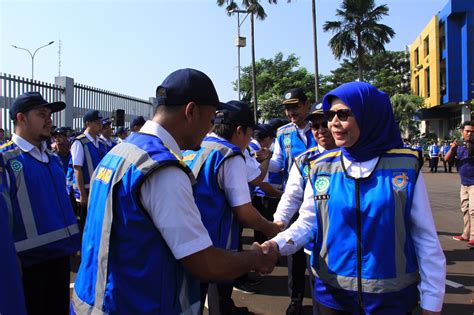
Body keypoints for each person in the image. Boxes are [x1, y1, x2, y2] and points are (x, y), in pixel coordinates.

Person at [72, 68, 278, 315]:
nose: (210, 128)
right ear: (191, 111)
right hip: (138, 305)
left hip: (97, 302)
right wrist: (255, 258)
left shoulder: (118, 154)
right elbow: (204, 263)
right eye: (210, 118)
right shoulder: (161, 169)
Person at [262, 82, 445, 314]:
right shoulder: (320, 167)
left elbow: (425, 238)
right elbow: (309, 223)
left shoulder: (405, 167)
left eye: (343, 114)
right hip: (333, 296)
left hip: (390, 299)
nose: (333, 123)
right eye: (330, 115)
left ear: (368, 115)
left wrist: (432, 300)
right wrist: (274, 245)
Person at [183, 100, 280, 314]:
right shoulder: (229, 154)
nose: (248, 141)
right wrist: (270, 228)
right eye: (249, 134)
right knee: (217, 293)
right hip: (215, 245)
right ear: (239, 131)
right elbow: (244, 212)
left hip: (186, 241)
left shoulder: (194, 147)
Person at [0, 92, 80, 314]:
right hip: (29, 267)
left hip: (60, 258)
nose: (49, 119)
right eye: (41, 114)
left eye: (50, 114)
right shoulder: (6, 160)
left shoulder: (52, 158)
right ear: (21, 118)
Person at [273, 104, 337, 315]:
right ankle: (296, 299)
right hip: (311, 234)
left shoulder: (354, 156)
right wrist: (278, 223)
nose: (321, 130)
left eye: (324, 124)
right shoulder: (305, 161)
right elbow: (291, 196)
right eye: (315, 126)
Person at [268, 88, 318, 315]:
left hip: (325, 199)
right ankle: (296, 299)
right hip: (296, 199)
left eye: (295, 107)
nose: (291, 112)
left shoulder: (323, 126)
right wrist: (259, 159)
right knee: (294, 255)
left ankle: (325, 298)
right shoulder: (283, 133)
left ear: (307, 104)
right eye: (287, 108)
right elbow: (278, 164)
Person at [67, 109, 107, 230]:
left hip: (98, 188)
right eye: (97, 123)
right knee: (85, 224)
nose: (100, 126)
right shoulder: (80, 142)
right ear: (88, 124)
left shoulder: (100, 142)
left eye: (101, 123)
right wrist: (83, 195)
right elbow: (77, 169)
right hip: (86, 190)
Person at [444, 121, 474, 248]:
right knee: (465, 209)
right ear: (462, 131)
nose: (470, 133)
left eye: (472, 131)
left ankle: (473, 237)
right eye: (467, 131)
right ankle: (466, 234)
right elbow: (446, 159)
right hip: (464, 183)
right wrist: (452, 148)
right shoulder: (459, 146)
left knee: (473, 210)